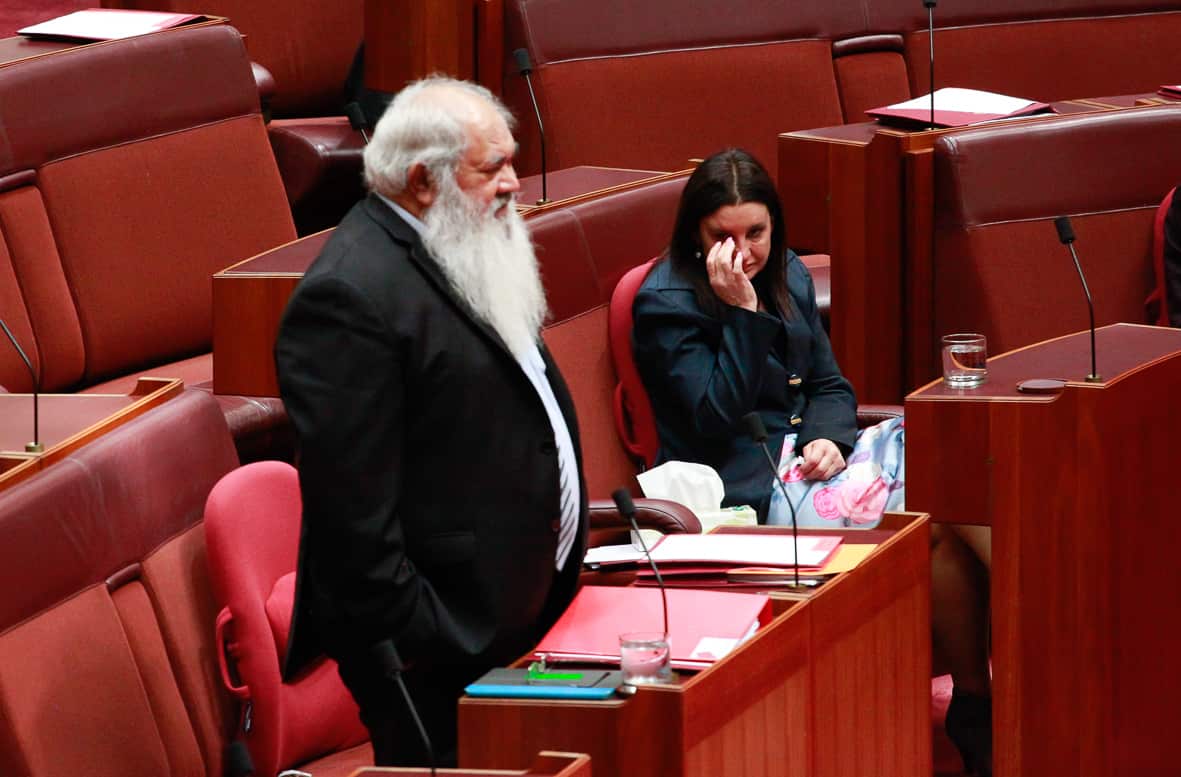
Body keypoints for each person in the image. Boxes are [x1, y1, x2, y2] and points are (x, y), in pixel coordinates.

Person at [632, 148, 993, 777]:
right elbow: (714, 418)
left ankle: (985, 696)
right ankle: (1004, 688)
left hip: (819, 461)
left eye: (756, 233)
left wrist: (833, 437)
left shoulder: (789, 273)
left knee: (963, 466)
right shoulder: (666, 302)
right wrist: (741, 315)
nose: (743, 252)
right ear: (696, 232)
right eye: (724, 235)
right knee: (937, 528)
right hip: (753, 486)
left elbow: (829, 386)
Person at [274, 76, 588, 767]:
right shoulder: (347, 299)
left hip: (515, 623)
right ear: (422, 181)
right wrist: (435, 638)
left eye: (511, 161)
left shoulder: (461, 240)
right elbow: (354, 531)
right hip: (443, 660)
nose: (513, 184)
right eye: (491, 168)